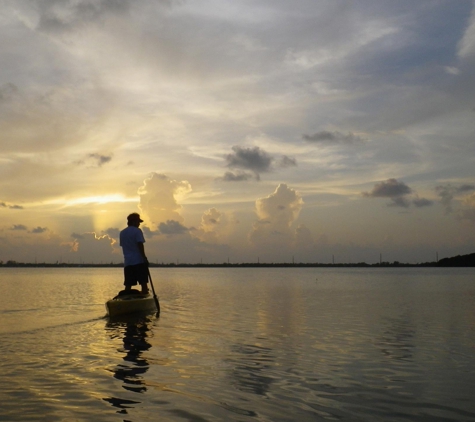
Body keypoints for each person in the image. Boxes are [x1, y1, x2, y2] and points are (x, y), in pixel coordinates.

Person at [119, 212, 149, 294]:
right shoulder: (137, 231)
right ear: (134, 222)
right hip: (139, 261)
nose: (139, 224)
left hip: (128, 262)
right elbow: (140, 244)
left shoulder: (122, 233)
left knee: (128, 284)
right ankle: (144, 295)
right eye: (138, 222)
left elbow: (124, 246)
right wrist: (144, 257)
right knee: (143, 282)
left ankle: (126, 298)